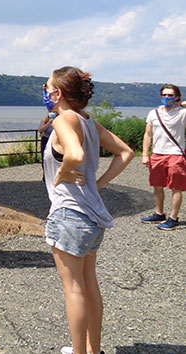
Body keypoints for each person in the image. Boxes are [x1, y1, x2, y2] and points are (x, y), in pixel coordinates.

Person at [42, 66, 134, 354]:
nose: (44, 93)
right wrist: (98, 183)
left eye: (46, 88)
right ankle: (94, 350)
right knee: (89, 284)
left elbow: (76, 154)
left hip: (69, 214)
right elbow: (126, 152)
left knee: (73, 289)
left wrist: (64, 172)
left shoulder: (63, 120)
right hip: (92, 216)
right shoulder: (88, 121)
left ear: (57, 93)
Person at [140, 84, 186, 230]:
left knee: (176, 187)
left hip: (176, 154)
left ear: (177, 96)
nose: (167, 98)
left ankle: (174, 218)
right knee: (157, 186)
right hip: (157, 154)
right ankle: (159, 213)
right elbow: (148, 134)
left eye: (170, 95)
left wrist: (181, 103)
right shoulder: (153, 113)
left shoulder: (182, 112)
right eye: (164, 95)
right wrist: (144, 154)